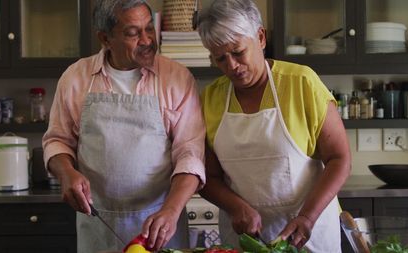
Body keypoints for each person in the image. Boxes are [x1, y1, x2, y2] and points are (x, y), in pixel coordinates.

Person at [42, 1, 206, 252]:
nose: (147, 39)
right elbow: (57, 140)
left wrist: (172, 211)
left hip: (161, 224)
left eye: (149, 28)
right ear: (105, 38)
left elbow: (190, 154)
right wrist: (67, 173)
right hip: (98, 222)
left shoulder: (177, 78)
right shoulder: (76, 77)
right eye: (133, 33)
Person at [196, 0, 351, 252]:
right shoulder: (210, 99)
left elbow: (340, 158)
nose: (232, 66)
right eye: (220, 58)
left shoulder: (301, 83)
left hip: (307, 235)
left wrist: (307, 217)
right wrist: (236, 206)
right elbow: (207, 176)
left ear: (260, 37)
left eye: (238, 52)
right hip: (244, 238)